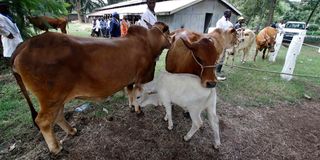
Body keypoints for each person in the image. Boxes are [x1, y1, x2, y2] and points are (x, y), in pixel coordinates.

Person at [215, 9, 233, 81]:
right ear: (226, 15)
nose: (229, 17)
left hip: (226, 41)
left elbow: (231, 30)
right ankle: (215, 71)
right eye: (228, 16)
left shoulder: (229, 23)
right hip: (220, 41)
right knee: (219, 56)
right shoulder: (220, 22)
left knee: (223, 56)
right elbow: (218, 31)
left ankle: (218, 70)